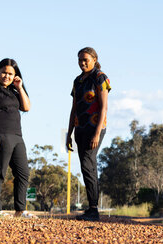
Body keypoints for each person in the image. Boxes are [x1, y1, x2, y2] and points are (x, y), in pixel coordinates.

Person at [0, 59, 36, 218]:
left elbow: (26, 107)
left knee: (23, 173)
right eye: (4, 72)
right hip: (0, 136)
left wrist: (20, 87)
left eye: (11, 74)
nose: (6, 76)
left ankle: (20, 210)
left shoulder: (15, 91)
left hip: (18, 137)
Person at [66, 47, 111, 221]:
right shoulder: (77, 81)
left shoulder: (100, 77)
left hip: (95, 128)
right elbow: (74, 108)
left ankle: (93, 209)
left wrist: (97, 133)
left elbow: (103, 107)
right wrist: (69, 133)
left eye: (85, 59)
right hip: (80, 128)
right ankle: (91, 208)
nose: (82, 63)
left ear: (94, 59)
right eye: (79, 60)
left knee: (88, 164)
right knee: (86, 167)